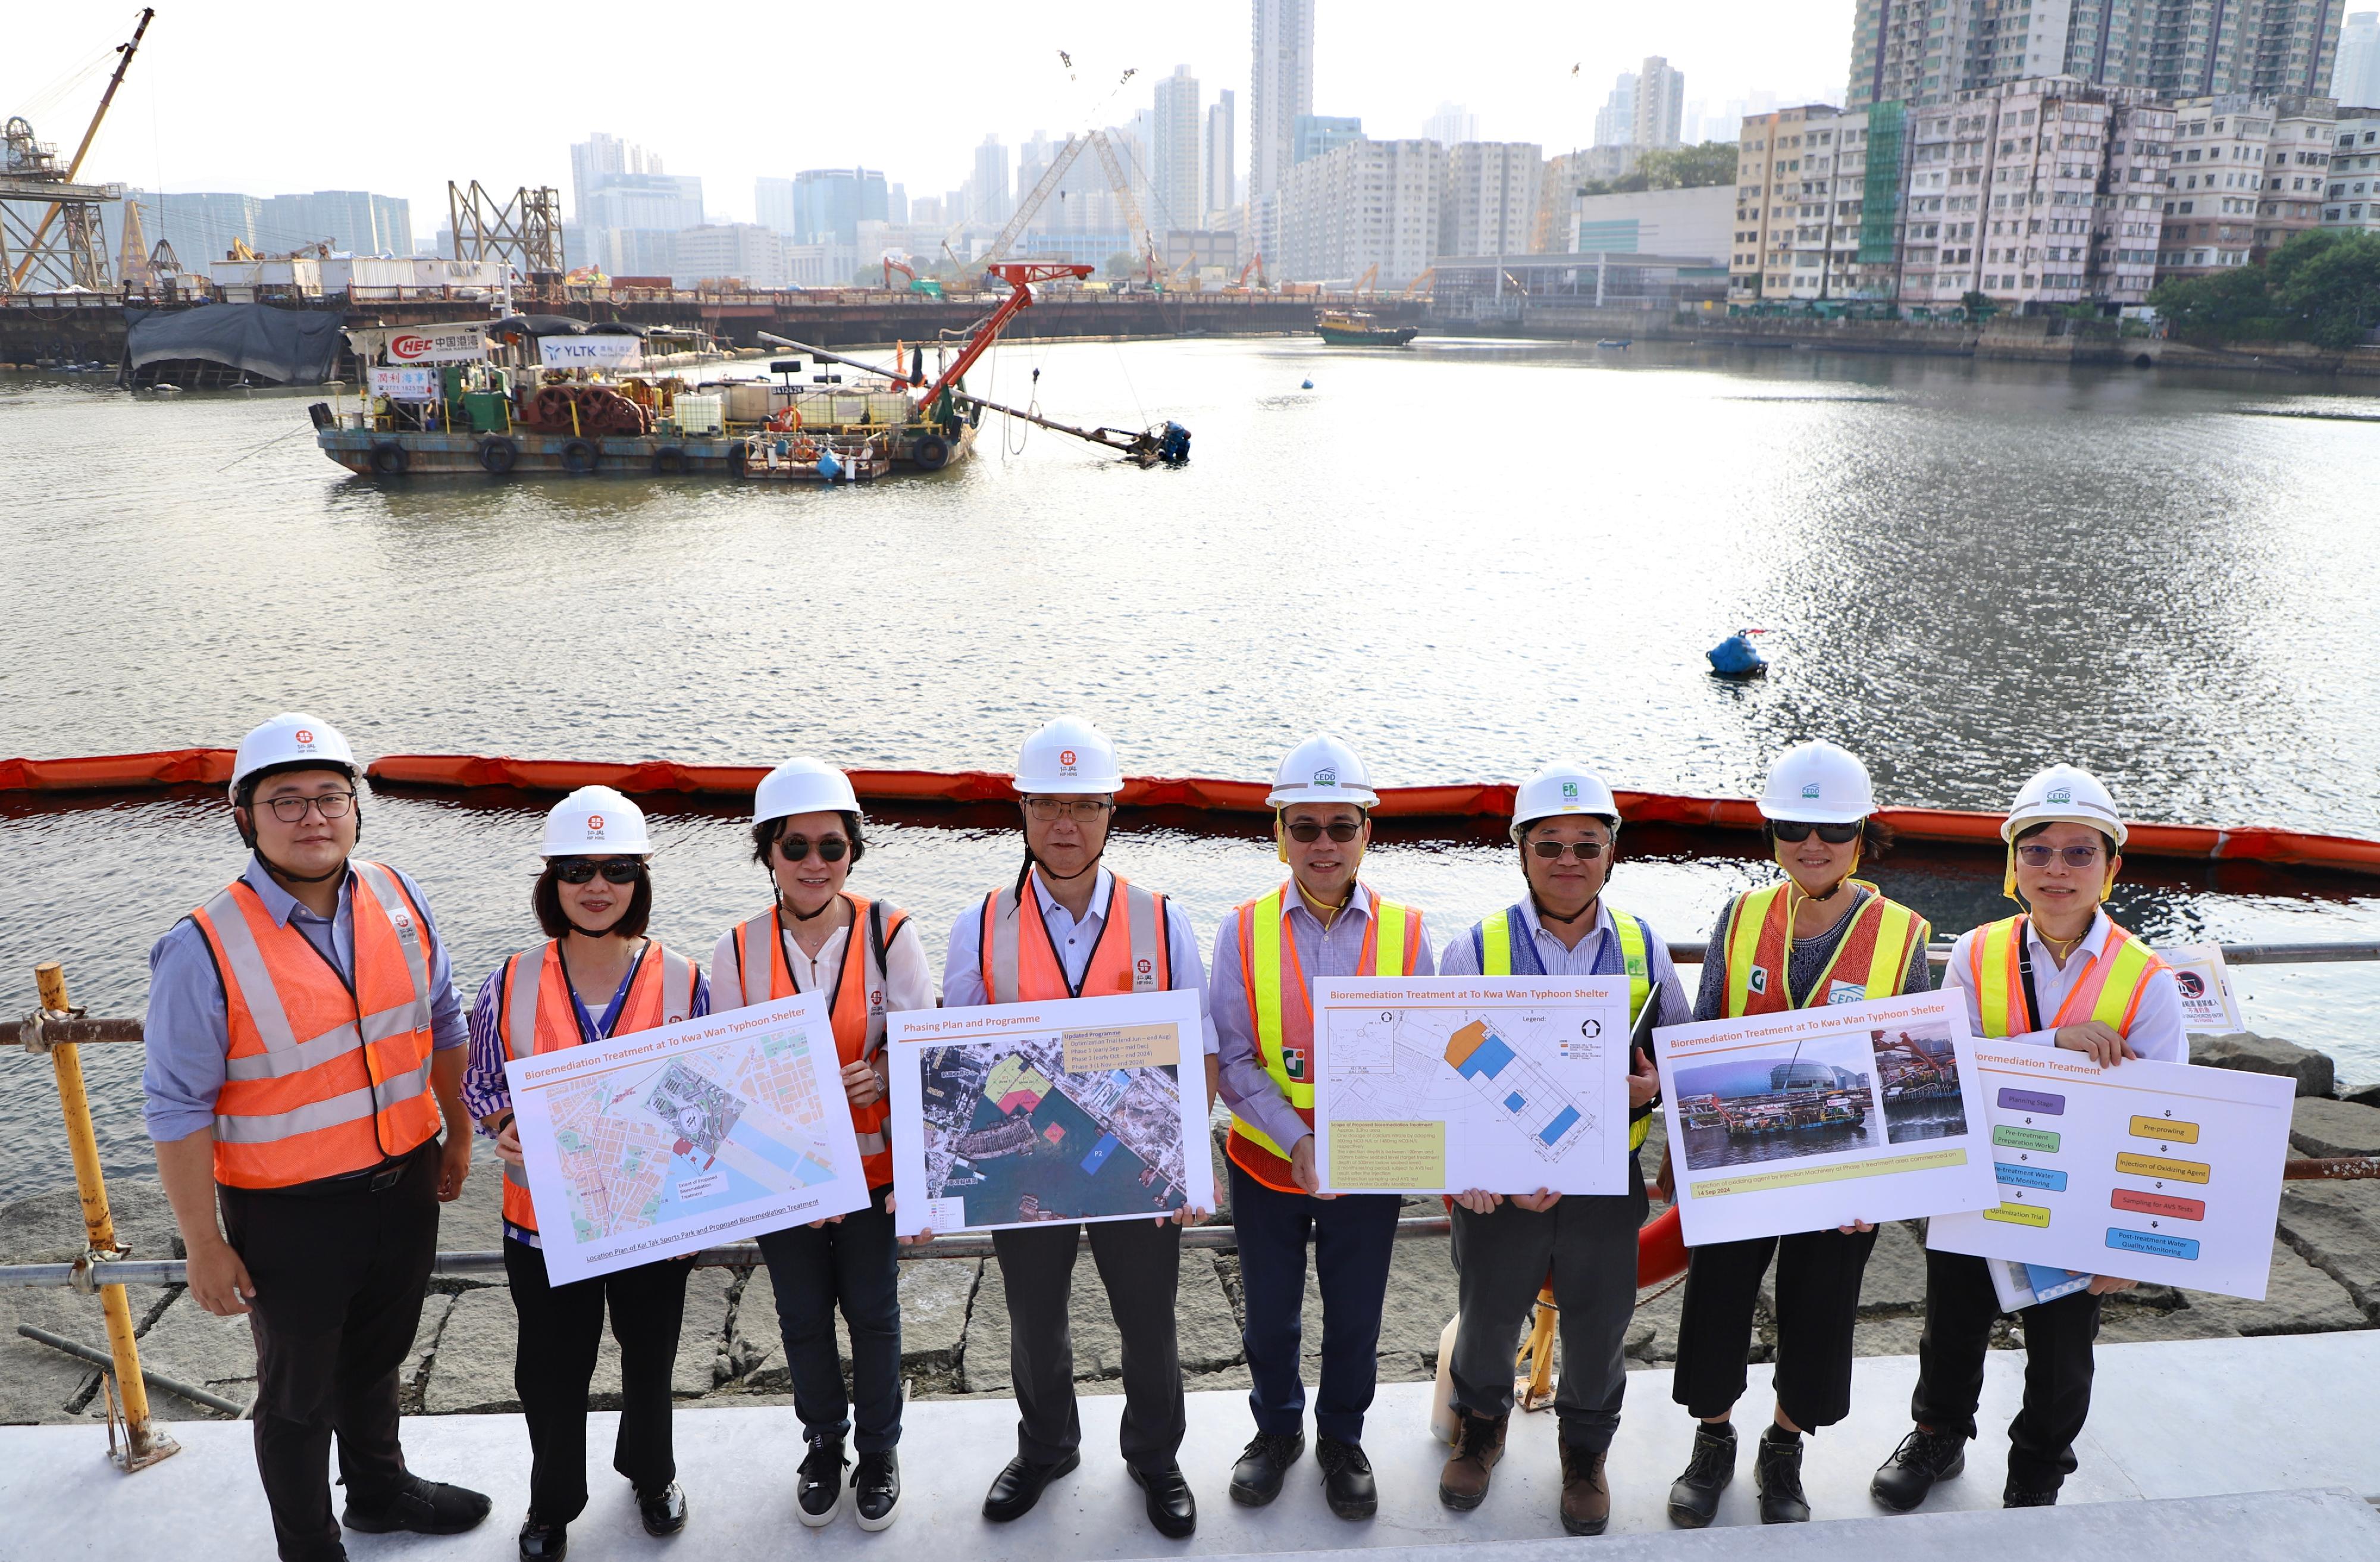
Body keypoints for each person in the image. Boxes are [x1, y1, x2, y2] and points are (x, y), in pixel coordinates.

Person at [142, 714, 491, 1562]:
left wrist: (455, 1138)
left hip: (403, 1181)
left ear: (356, 808)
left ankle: (379, 1491)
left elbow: (443, 1021)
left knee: (377, 1357)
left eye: (330, 797)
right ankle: (310, 1547)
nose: (313, 818)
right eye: (286, 800)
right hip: (288, 1211)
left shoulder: (399, 897)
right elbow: (177, 1105)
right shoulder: (204, 946)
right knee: (295, 1400)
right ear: (245, 816)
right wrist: (204, 1243)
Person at [1869, 764, 2185, 1513]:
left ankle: (2039, 1468)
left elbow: (2168, 1122)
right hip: (1978, 1175)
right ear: (2013, 864)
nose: (2056, 869)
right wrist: (2056, 1042)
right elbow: (1940, 1069)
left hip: (2076, 1197)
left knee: (2062, 1347)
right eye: (2038, 850)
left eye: (2080, 852)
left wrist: (2126, 1243)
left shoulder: (2149, 981)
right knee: (1951, 1320)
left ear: (2111, 868)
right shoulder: (1975, 952)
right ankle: (1939, 1434)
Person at [941, 716, 1217, 1539]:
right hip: (1025, 1165)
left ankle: (1155, 1457)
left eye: (1086, 807)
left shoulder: (1161, 921)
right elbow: (956, 1065)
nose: (1067, 826)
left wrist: (1184, 1172)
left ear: (1111, 814)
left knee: (1149, 1317)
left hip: (1134, 1163)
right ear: (1023, 813)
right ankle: (1048, 1445)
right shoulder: (977, 926)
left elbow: (1196, 1055)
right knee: (1033, 1316)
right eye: (1049, 807)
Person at [1661, 740, 1933, 1528]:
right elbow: (1705, 1030)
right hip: (1740, 1155)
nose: (1811, 846)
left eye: (1832, 829)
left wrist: (1879, 1185)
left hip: (1842, 1173)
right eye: (1791, 827)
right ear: (1771, 832)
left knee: (1819, 1308)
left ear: (1861, 835)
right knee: (1716, 1299)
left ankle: (1783, 1447)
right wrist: (1686, 1153)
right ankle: (1713, 1440)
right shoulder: (1742, 916)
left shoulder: (1902, 934)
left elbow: (1912, 1075)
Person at [1432, 763, 1689, 1535]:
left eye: (1587, 844)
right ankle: (1481, 1433)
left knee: (1599, 1322)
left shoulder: (1643, 945)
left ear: (1612, 852)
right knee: (1486, 1317)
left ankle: (1585, 1454)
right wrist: (1474, 1170)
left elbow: (1680, 1056)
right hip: (1503, 1183)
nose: (1568, 860)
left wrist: (1652, 1091)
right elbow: (1444, 1069)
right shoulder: (1476, 947)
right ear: (1520, 851)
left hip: (1606, 1178)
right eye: (1549, 845)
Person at [462, 788, 702, 1561]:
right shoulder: (513, 980)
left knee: (650, 1356)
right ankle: (552, 1504)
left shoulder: (685, 980)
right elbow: (482, 1083)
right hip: (544, 1222)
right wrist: (502, 1126)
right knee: (551, 1369)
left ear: (641, 879)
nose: (597, 886)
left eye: (617, 868)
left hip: (651, 1217)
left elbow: (710, 1100)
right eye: (577, 869)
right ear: (551, 880)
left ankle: (652, 1472)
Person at [1211, 735, 1431, 1522]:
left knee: (1356, 1314)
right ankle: (1275, 1434)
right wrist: (1297, 1141)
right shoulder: (1239, 931)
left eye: (1342, 825)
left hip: (1369, 1167)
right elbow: (1233, 1059)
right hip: (1270, 1162)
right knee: (1270, 1313)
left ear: (1367, 832)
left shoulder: (1409, 934)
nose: (1324, 844)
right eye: (1304, 827)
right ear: (1280, 836)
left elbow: (1428, 1054)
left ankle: (1342, 1437)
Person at [712, 759, 933, 1532]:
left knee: (873, 1314)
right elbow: (726, 1083)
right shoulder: (736, 951)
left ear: (853, 851)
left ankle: (878, 1450)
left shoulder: (890, 932)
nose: (814, 863)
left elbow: (928, 1051)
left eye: (831, 848)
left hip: (873, 1173)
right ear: (768, 851)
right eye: (796, 846)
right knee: (802, 1319)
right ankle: (822, 1444)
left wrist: (882, 1069)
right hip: (785, 1182)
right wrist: (784, 1183)